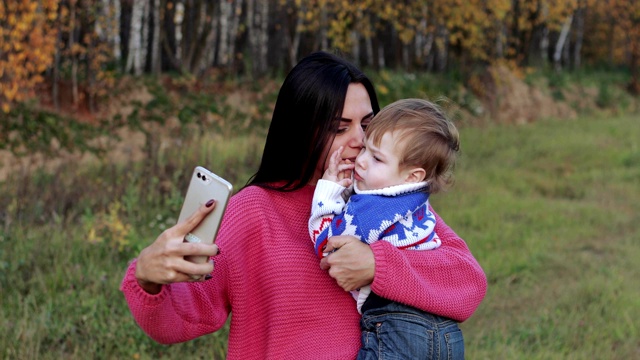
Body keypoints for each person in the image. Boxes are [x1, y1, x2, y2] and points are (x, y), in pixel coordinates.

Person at [120, 51, 487, 359]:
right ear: (302, 130)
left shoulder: (386, 201)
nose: (359, 140)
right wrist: (149, 279)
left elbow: (466, 284)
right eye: (339, 127)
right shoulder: (253, 211)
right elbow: (180, 318)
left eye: (368, 124)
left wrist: (378, 265)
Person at [309, 98, 463, 359]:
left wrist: (328, 190)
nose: (362, 160)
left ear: (413, 176)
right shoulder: (414, 204)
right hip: (446, 331)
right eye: (366, 149)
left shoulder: (373, 210)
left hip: (398, 327)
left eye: (377, 158)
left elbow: (328, 244)